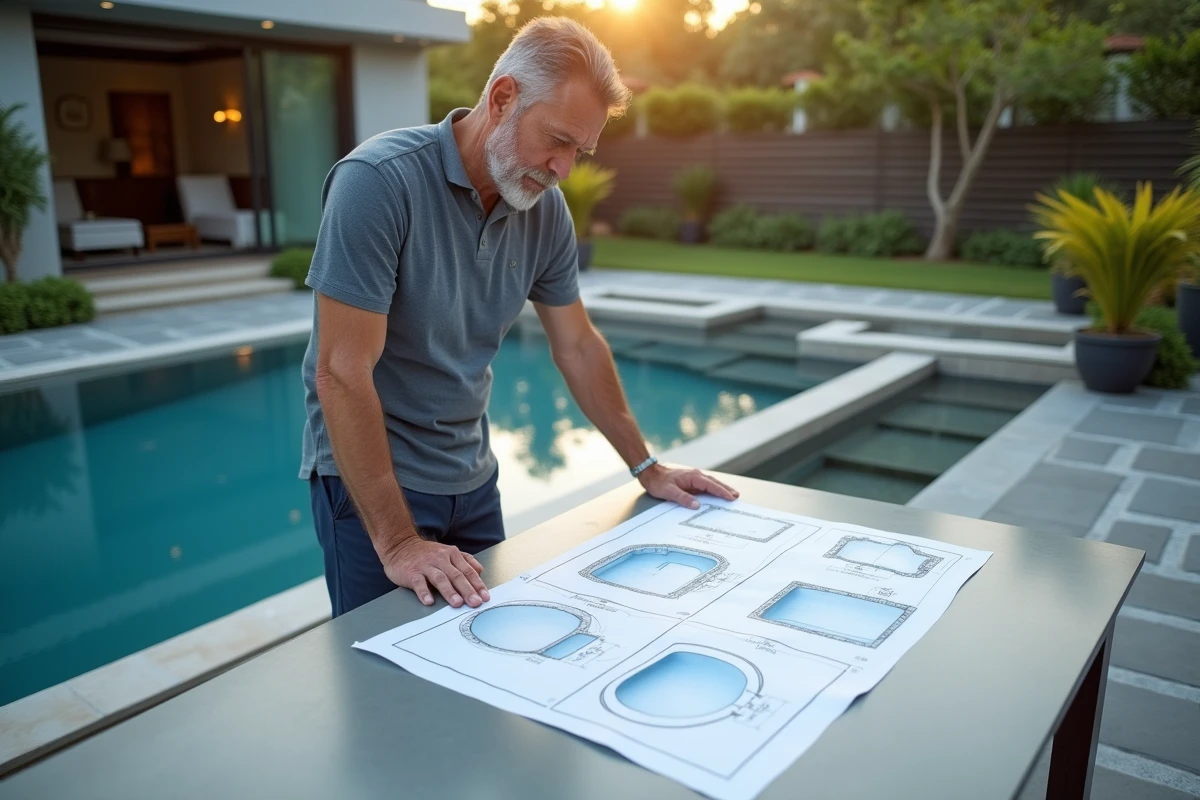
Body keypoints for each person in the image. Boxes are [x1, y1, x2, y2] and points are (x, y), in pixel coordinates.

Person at [300, 17, 739, 618]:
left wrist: (647, 467)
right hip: (374, 492)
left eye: (579, 151)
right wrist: (399, 543)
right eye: (557, 140)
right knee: (382, 668)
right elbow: (341, 370)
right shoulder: (377, 183)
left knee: (491, 652)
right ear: (503, 97)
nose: (564, 169)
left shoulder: (544, 211)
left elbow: (578, 346)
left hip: (472, 481)